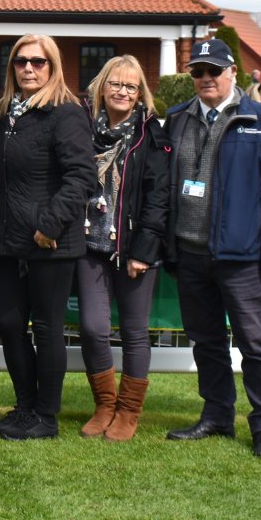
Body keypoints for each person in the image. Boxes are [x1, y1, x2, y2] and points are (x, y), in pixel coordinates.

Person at [163, 38, 261, 457]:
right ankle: (217, 415)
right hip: (189, 252)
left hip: (241, 256)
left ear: (232, 74)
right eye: (198, 72)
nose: (205, 78)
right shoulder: (176, 119)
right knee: (205, 341)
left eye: (213, 71)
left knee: (256, 344)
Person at [0, 34, 95, 440]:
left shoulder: (66, 112)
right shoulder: (4, 113)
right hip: (8, 239)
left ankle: (46, 416)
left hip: (51, 241)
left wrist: (49, 225)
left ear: (53, 66)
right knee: (9, 322)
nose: (29, 68)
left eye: (39, 61)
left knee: (46, 327)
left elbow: (81, 175)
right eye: (20, 61)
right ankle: (24, 408)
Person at [77, 56, 170, 441]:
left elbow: (158, 197)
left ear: (140, 93)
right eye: (115, 83)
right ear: (102, 85)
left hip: (133, 248)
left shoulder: (152, 135)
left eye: (131, 86)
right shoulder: (82, 127)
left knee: (134, 331)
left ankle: (129, 412)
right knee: (93, 328)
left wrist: (143, 251)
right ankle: (104, 405)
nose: (122, 91)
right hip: (88, 245)